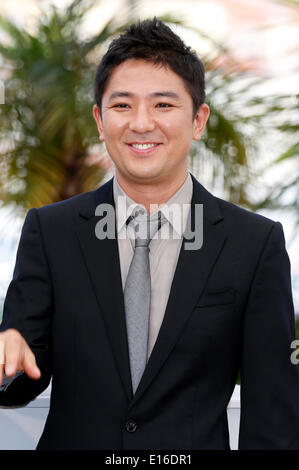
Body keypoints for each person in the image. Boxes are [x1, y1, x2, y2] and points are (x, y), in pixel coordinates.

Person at [0, 17, 298, 451]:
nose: (141, 123)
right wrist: (9, 360)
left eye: (163, 105)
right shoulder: (51, 232)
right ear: (100, 121)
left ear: (198, 120)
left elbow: (274, 411)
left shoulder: (253, 244)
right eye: (122, 106)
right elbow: (23, 367)